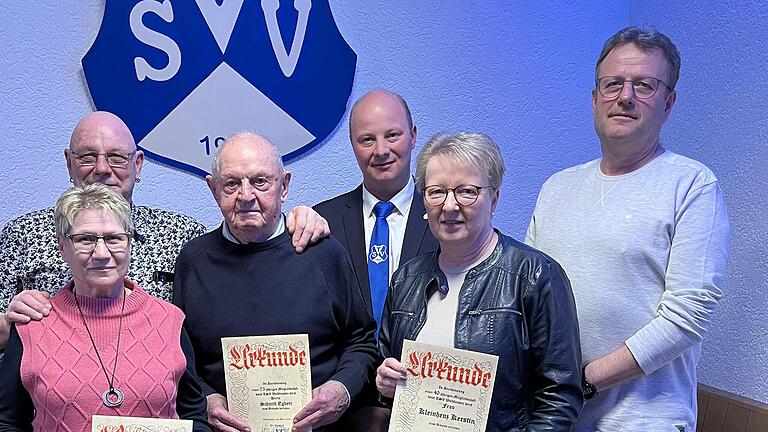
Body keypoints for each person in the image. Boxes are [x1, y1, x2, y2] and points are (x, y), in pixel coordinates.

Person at [525, 27, 731, 430]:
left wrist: (582, 383)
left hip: (642, 420)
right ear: (594, 98)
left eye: (644, 85)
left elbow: (686, 317)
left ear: (669, 103)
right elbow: (527, 295)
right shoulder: (557, 187)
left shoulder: (692, 184)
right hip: (552, 418)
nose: (625, 96)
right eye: (613, 83)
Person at [0, 111, 329, 352]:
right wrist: (10, 324)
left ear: (137, 165)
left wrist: (293, 218)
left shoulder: (181, 234)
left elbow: (246, 248)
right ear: (69, 163)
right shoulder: (21, 235)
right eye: (87, 157)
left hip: (160, 410)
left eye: (116, 157)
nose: (101, 168)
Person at [376, 132, 583, 431]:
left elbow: (560, 397)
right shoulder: (406, 280)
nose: (449, 206)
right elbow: (388, 370)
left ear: (494, 198)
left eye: (466, 191)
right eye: (436, 192)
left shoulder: (535, 275)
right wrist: (385, 383)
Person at [172, 133, 377, 432]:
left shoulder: (323, 253)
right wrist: (206, 398)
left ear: (284, 186)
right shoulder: (193, 260)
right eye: (231, 184)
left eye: (260, 181)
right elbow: (182, 358)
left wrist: (341, 391)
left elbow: (361, 342)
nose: (245, 196)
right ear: (213, 189)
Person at [0, 184, 211, 431]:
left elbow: (194, 415)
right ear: (62, 247)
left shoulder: (169, 320)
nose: (101, 253)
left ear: (130, 243)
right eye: (85, 239)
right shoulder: (32, 325)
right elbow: (7, 422)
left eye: (114, 238)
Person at [314, 89, 439, 431]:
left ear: (413, 136)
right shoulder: (322, 222)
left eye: (393, 135)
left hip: (427, 406)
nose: (381, 150)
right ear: (353, 146)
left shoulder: (447, 218)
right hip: (344, 414)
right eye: (367, 139)